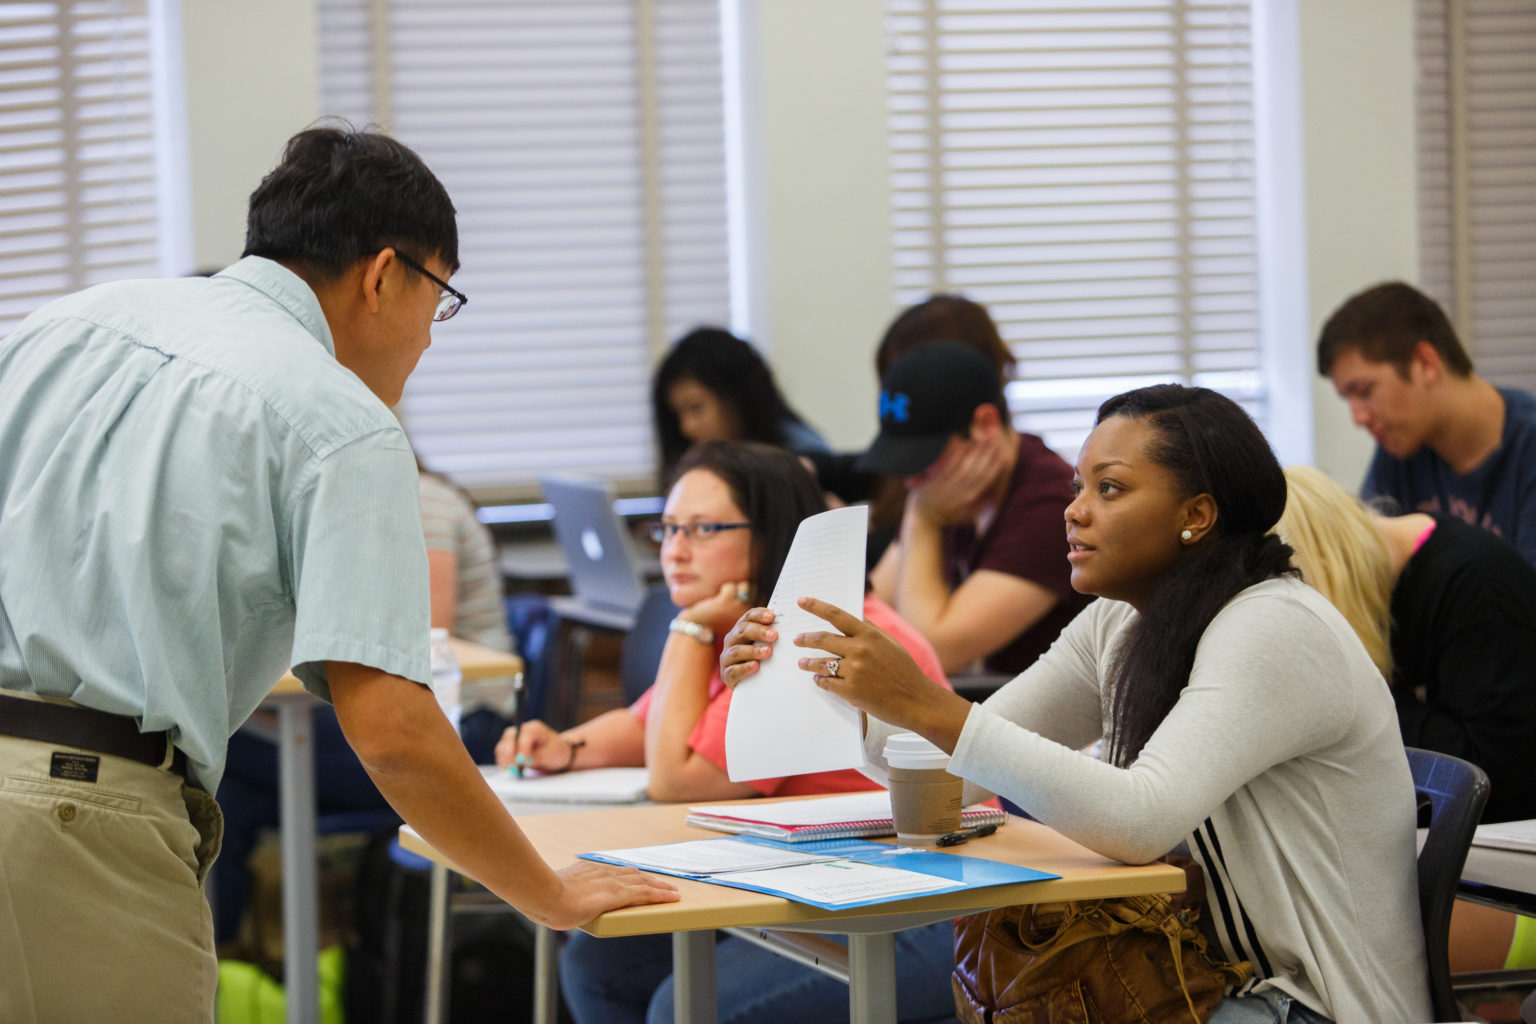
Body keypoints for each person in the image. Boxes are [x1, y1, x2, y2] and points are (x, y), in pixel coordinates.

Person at [0, 125, 675, 1021]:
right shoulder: (338, 419)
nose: (431, 341)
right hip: (81, 815)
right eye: (442, 300)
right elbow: (391, 729)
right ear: (385, 274)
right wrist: (546, 893)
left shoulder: (60, 327)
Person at [725, 384, 1432, 1023]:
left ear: (1197, 515)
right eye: (1076, 486)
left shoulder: (1271, 625)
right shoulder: (1122, 620)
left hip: (1312, 1003)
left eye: (1111, 489)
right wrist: (840, 681)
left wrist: (923, 700)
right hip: (1211, 980)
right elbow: (956, 778)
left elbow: (1139, 818)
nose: (1075, 511)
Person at [495, 440, 960, 1024]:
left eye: (704, 529)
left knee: (681, 1009)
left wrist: (687, 626)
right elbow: (650, 721)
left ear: (769, 536)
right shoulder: (743, 622)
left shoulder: (810, 637)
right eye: (666, 530)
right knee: (597, 965)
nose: (676, 552)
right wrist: (568, 747)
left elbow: (676, 779)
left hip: (918, 905)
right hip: (806, 879)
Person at [214, 457, 516, 947]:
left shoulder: (423, 499)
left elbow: (422, 638)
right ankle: (223, 974)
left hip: (462, 727)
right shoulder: (343, 506)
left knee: (218, 737)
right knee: (231, 799)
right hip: (396, 712)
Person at [1276, 464, 1536, 823]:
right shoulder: (1377, 584)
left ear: (1317, 568)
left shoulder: (1475, 584)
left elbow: (1492, 772)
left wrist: (1348, 703)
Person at [862, 340, 1088, 675]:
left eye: (923, 460)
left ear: (985, 424)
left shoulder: (1049, 508)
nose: (911, 482)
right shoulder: (952, 490)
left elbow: (934, 652)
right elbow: (869, 614)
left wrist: (924, 520)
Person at [1317, 280, 1536, 564]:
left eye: (1365, 391)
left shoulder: (1527, 449)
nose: (1358, 418)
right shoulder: (1400, 447)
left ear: (1424, 364)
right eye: (1349, 398)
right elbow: (1366, 570)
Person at [651, 326, 828, 483]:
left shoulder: (800, 458)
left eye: (696, 408)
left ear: (737, 399)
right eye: (677, 415)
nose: (687, 427)